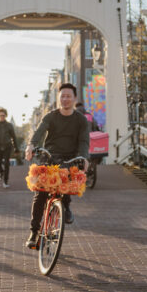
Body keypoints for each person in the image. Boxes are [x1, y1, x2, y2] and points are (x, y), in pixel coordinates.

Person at [24, 83, 90, 248]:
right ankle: (34, 232)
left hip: (70, 157)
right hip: (50, 156)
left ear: (75, 99)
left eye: (69, 96)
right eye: (63, 96)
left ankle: (66, 205)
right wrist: (31, 145)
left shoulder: (81, 120)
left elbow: (83, 141)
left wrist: (84, 157)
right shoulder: (50, 116)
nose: (65, 99)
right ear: (58, 98)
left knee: (65, 185)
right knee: (40, 193)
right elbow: (39, 132)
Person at [0, 107, 19, 187]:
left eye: (3, 115)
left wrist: (16, 148)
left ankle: (5, 182)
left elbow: (14, 137)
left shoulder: (9, 125)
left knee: (6, 163)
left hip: (7, 146)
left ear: (6, 116)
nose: (2, 117)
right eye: (0, 115)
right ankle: (1, 172)